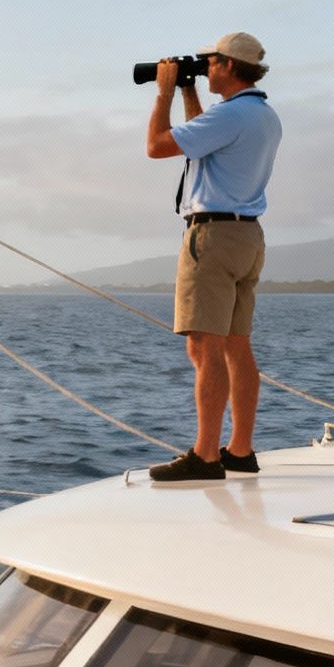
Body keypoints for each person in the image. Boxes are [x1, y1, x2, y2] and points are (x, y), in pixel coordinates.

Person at [144, 32, 282, 483]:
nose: (205, 68)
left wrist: (164, 92)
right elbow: (202, 141)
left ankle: (205, 456)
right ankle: (239, 450)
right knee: (237, 347)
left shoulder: (230, 114)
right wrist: (187, 90)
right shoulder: (261, 114)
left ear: (228, 65)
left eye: (209, 62)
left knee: (204, 348)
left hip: (213, 237)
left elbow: (158, 145)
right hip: (248, 237)